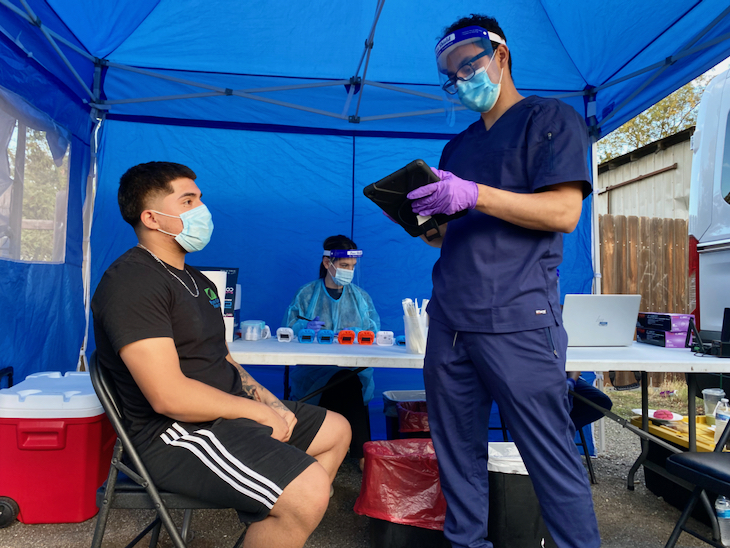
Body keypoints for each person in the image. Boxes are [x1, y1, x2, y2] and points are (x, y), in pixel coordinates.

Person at [404, 14, 601, 548]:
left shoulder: (551, 119)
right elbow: (454, 235)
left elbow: (563, 212)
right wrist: (428, 222)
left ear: (502, 55)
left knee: (550, 457)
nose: (462, 79)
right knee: (457, 457)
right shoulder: (457, 148)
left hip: (517, 317)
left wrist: (474, 195)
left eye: (469, 64)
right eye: (451, 74)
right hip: (449, 321)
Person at [91, 161, 351, 548]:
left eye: (200, 199)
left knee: (337, 430)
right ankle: (286, 507)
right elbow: (168, 396)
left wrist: (273, 404)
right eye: (188, 200)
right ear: (151, 217)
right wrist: (257, 413)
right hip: (175, 432)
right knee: (308, 488)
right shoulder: (132, 282)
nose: (202, 210)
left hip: (223, 414)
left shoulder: (195, 279)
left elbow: (223, 358)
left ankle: (273, 529)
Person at [283, 235, 380, 469]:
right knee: (344, 383)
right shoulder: (306, 295)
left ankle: (324, 457)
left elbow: (373, 330)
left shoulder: (360, 298)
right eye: (344, 265)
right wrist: (303, 328)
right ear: (328, 263)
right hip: (313, 375)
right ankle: (363, 460)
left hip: (351, 371)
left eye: (352, 267)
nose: (349, 271)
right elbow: (286, 332)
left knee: (345, 379)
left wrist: (357, 333)